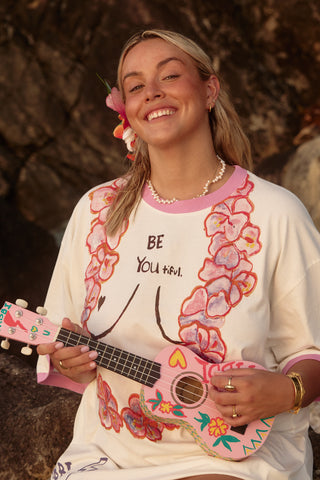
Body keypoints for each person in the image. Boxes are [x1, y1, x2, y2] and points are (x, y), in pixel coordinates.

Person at [37, 29, 320, 480]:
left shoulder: (275, 213)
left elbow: (312, 349)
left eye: (169, 75)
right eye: (134, 86)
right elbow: (60, 337)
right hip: (111, 452)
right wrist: (67, 357)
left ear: (209, 89)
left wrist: (288, 391)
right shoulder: (96, 211)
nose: (152, 93)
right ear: (126, 111)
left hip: (236, 456)